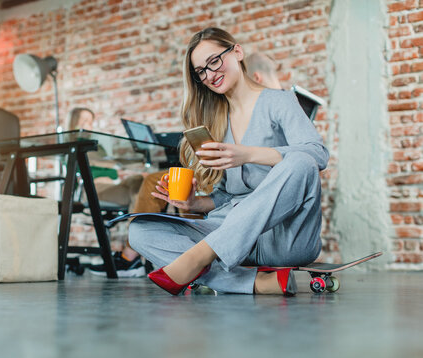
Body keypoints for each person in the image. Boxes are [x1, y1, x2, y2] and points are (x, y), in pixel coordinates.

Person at [128, 27, 329, 296]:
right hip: (232, 233)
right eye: (201, 71)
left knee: (301, 162)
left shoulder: (279, 101)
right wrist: (195, 203)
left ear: (237, 52)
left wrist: (248, 154)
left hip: (283, 239)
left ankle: (199, 258)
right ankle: (254, 283)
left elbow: (318, 154)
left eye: (214, 61)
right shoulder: (216, 120)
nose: (210, 75)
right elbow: (226, 197)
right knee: (140, 231)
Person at [89, 51, 285, 278]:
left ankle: (132, 257)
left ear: (256, 78)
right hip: (228, 187)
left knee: (155, 180)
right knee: (155, 190)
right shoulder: (259, 108)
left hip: (243, 204)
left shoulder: (271, 109)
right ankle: (144, 254)